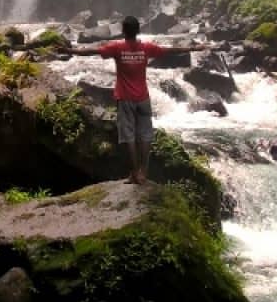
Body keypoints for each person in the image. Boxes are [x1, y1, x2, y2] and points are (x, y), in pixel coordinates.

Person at [70, 16, 207, 183]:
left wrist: (70, 51)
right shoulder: (146, 48)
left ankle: (134, 173)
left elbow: (92, 52)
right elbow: (170, 50)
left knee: (129, 137)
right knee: (145, 135)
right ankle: (143, 172)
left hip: (125, 99)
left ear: (122, 30)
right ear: (138, 30)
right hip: (143, 98)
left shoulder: (117, 48)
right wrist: (194, 48)